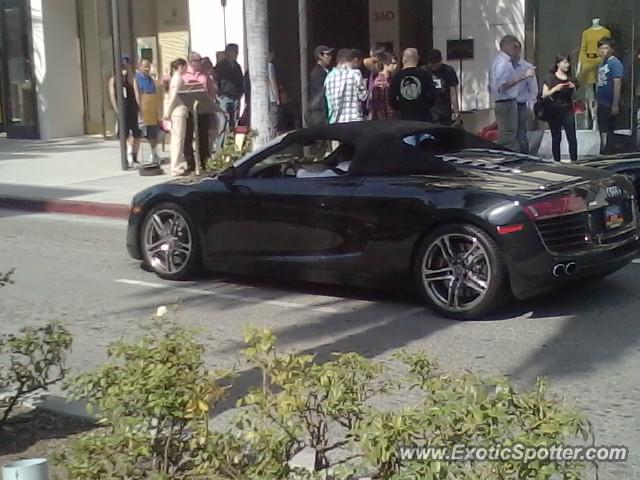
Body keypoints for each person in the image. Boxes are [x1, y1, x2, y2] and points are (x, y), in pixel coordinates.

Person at [489, 35, 536, 151]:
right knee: (508, 137)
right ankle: (509, 162)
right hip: (506, 103)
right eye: (514, 47)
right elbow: (502, 86)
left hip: (513, 103)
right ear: (507, 45)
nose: (517, 51)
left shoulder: (497, 61)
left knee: (517, 135)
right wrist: (522, 77)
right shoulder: (503, 63)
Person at [542, 54, 579, 162]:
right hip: (554, 111)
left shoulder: (571, 78)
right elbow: (544, 94)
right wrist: (555, 89)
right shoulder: (551, 78)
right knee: (556, 137)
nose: (567, 65)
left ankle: (574, 161)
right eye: (564, 62)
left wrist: (574, 87)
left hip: (567, 110)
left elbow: (575, 96)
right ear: (558, 63)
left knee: (572, 137)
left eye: (568, 62)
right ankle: (557, 161)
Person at [182, 52, 216, 172]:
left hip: (203, 109)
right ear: (191, 62)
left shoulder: (205, 74)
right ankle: (190, 163)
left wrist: (211, 101)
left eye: (201, 60)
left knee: (203, 137)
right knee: (187, 137)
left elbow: (211, 90)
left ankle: (204, 162)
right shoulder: (184, 74)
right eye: (198, 60)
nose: (201, 62)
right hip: (189, 110)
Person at [109, 55, 141, 168]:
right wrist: (117, 109)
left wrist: (129, 71)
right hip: (122, 109)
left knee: (136, 133)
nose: (124, 67)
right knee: (124, 134)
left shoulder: (131, 77)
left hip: (132, 108)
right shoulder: (114, 79)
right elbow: (112, 95)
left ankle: (134, 155)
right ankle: (128, 155)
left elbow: (135, 89)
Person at [389, 48, 436, 122]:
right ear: (417, 59)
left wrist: (400, 108)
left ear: (403, 59)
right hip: (423, 117)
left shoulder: (397, 76)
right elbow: (433, 95)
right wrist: (425, 106)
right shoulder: (425, 75)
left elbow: (391, 99)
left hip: (404, 118)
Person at [324, 48, 368, 124]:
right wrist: (365, 84)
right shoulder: (355, 74)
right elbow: (363, 96)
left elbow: (328, 102)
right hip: (354, 119)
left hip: (336, 121)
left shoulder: (329, 77)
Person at [596, 38, 623, 154]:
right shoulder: (602, 63)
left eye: (606, 48)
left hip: (609, 102)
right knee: (602, 127)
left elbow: (617, 84)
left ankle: (608, 151)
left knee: (608, 129)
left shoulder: (615, 63)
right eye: (601, 48)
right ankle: (603, 149)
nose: (603, 51)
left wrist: (615, 104)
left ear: (612, 49)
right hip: (601, 101)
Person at [164, 58, 189, 176]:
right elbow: (173, 96)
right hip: (178, 111)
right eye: (185, 66)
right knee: (178, 140)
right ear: (181, 67)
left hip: (176, 111)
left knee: (176, 140)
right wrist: (167, 112)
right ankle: (176, 167)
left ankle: (176, 165)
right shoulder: (178, 79)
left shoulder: (174, 78)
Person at [134, 59, 162, 164]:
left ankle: (154, 154)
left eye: (148, 66)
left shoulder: (151, 79)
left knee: (154, 133)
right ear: (140, 67)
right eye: (145, 66)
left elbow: (157, 92)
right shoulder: (137, 78)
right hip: (143, 107)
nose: (147, 68)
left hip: (152, 108)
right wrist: (140, 108)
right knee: (140, 134)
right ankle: (133, 155)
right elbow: (137, 94)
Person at [512, 43, 538, 154]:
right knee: (509, 135)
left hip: (521, 104)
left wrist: (532, 106)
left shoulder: (527, 67)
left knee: (521, 133)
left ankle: (525, 157)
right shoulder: (503, 66)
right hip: (506, 104)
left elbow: (533, 89)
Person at [424, 49, 460, 125]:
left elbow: (453, 93)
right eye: (431, 64)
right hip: (429, 111)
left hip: (445, 110)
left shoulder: (448, 71)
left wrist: (456, 112)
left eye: (436, 64)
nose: (434, 67)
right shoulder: (423, 71)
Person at [215, 43, 245, 133]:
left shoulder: (237, 66)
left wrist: (240, 93)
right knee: (223, 122)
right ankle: (221, 144)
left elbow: (241, 80)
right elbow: (216, 80)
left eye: (237, 52)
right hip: (224, 97)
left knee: (233, 121)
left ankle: (230, 142)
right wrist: (219, 94)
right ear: (228, 52)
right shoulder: (220, 66)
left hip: (235, 97)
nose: (236, 54)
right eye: (234, 52)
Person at [306, 45, 333, 126]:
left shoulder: (327, 71)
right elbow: (322, 92)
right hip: (320, 112)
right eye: (327, 54)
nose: (330, 57)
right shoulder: (317, 73)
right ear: (320, 56)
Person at [370, 52, 397, 120]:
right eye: (393, 63)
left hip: (391, 115)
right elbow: (378, 103)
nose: (395, 66)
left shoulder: (391, 78)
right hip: (383, 117)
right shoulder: (380, 80)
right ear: (385, 64)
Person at [268, 51, 280, 140]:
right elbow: (272, 81)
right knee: (273, 124)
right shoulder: (270, 66)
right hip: (271, 98)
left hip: (264, 100)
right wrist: (277, 97)